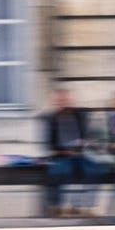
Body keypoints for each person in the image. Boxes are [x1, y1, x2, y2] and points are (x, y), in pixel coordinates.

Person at [41, 86, 101, 218]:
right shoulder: (51, 118)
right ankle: (59, 207)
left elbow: (91, 136)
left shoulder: (80, 116)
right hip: (61, 155)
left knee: (94, 170)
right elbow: (48, 144)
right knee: (60, 171)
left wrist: (89, 143)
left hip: (81, 153)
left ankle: (84, 206)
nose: (63, 103)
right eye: (60, 101)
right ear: (55, 102)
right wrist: (65, 152)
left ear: (71, 101)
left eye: (66, 100)